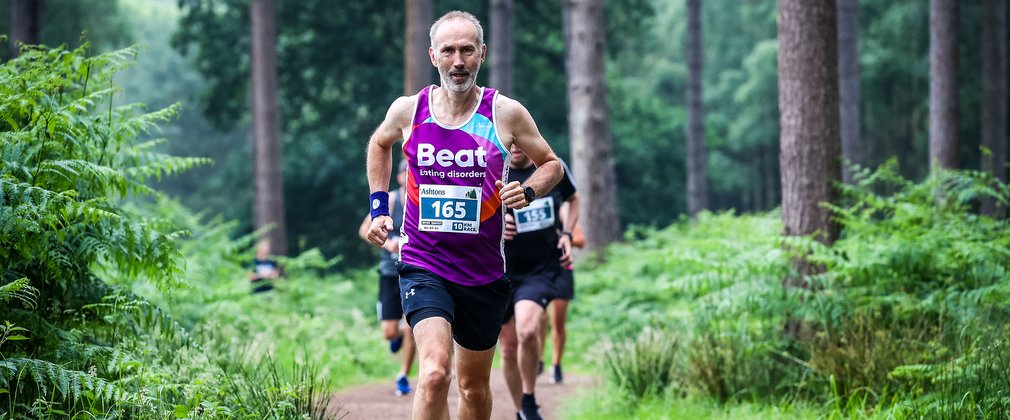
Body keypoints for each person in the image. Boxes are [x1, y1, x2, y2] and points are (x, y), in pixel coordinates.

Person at [364, 10, 564, 420]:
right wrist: (379, 207)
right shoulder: (409, 110)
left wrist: (526, 191)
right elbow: (379, 143)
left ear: (482, 54)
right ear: (433, 55)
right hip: (424, 263)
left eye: (467, 50)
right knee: (436, 372)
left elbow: (552, 165)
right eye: (449, 51)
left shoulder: (504, 112)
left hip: (483, 273)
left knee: (473, 389)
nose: (458, 60)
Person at [498, 145, 578, 420]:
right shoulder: (492, 168)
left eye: (519, 140)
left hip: (540, 269)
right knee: (508, 349)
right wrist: (497, 225)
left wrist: (566, 233)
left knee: (529, 330)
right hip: (499, 271)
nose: (515, 147)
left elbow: (573, 198)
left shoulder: (551, 168)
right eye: (509, 142)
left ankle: (530, 399)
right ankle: (521, 409)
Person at [357, 159, 416, 396]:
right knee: (390, 332)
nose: (410, 176)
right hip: (389, 272)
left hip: (414, 271)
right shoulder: (391, 201)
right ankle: (399, 332)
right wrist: (387, 243)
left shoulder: (426, 200)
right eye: (406, 173)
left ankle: (403, 375)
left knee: (412, 326)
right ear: (399, 177)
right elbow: (363, 230)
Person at [538, 212, 585, 385]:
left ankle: (556, 365)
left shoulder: (564, 216)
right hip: (539, 272)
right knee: (539, 319)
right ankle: (539, 359)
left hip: (562, 271)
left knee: (557, 322)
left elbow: (581, 240)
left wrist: (560, 238)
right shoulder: (535, 216)